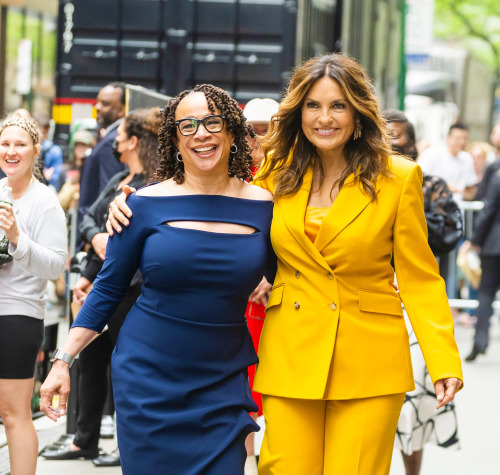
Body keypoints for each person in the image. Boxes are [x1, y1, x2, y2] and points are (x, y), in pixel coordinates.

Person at [105, 55, 463, 475]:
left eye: (338, 105)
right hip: (292, 352)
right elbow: (211, 194)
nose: (324, 118)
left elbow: (420, 278)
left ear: (358, 112)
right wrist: (132, 201)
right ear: (297, 111)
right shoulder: (274, 174)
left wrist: (443, 360)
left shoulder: (398, 178)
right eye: (313, 105)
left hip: (371, 359)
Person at [40, 84, 274, 474]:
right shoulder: (140, 205)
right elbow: (109, 288)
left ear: (232, 132)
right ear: (174, 140)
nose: (201, 133)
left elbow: (291, 279)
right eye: (188, 126)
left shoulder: (265, 207)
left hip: (223, 381)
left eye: (213, 122)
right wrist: (63, 360)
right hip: (149, 378)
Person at [41, 108, 163, 467]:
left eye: (120, 136)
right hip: (103, 282)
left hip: (132, 290)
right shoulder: (123, 179)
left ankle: (125, 446)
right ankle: (85, 439)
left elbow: (121, 241)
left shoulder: (151, 187)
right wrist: (95, 242)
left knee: (123, 368)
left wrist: (99, 243)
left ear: (135, 141)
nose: (114, 142)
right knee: (89, 362)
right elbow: (92, 216)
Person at [384, 110, 460, 475]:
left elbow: (448, 235)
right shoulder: (359, 184)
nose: (392, 146)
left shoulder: (427, 184)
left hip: (416, 311)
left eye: (399, 139)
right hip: (377, 307)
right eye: (385, 138)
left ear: (413, 145)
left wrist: (407, 210)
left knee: (414, 401)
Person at [0, 114, 67, 475]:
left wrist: (16, 239)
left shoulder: (45, 201)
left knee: (13, 413)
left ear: (35, 151)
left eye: (19, 144)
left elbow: (57, 266)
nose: (11, 151)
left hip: (17, 315)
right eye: (5, 144)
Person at [242, 97, 279, 474]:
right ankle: (247, 459)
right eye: (251, 128)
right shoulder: (232, 170)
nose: (258, 137)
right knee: (244, 384)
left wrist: (271, 275)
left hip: (282, 297)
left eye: (267, 128)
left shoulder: (293, 172)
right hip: (240, 300)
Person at [76, 82, 126, 248]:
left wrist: (93, 237)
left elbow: (108, 193)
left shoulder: (112, 142)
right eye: (98, 101)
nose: (97, 107)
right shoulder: (110, 137)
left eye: (105, 104)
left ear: (122, 110)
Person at [464, 170, 500, 361]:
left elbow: (488, 210)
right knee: (485, 294)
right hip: (493, 246)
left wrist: (475, 240)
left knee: (485, 293)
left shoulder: (498, 177)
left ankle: (480, 340)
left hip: (494, 245)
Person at [418, 122, 477, 201]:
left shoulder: (467, 158)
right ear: (448, 137)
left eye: (465, 138)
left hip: (455, 209)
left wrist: (460, 191)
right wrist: (443, 187)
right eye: (458, 138)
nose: (462, 142)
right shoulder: (431, 154)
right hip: (431, 207)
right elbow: (419, 180)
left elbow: (471, 190)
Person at [34, 114, 64, 190]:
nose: (40, 136)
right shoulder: (26, 148)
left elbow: (56, 177)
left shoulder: (54, 150)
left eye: (43, 133)